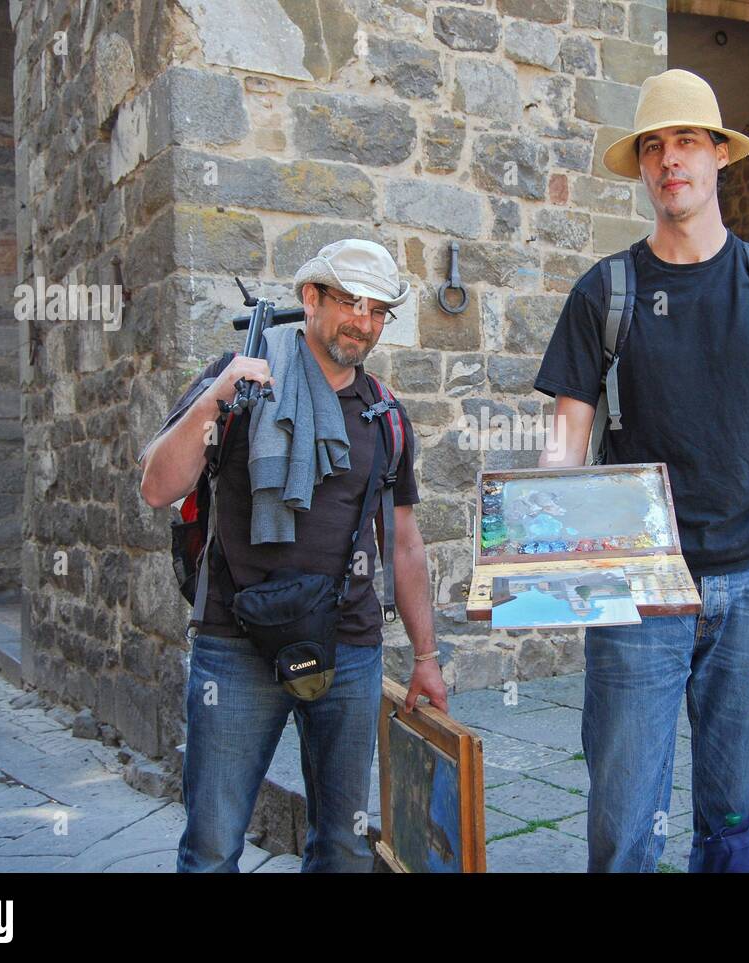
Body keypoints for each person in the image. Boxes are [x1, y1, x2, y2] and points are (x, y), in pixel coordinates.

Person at [534, 69, 749, 872]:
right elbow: (566, 440)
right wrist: (538, 549)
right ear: (642, 167)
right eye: (655, 146)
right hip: (638, 589)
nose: (672, 159)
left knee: (736, 822)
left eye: (688, 141)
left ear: (718, 157)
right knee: (623, 820)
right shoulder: (607, 291)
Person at [138, 239, 448, 872]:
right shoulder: (240, 377)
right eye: (350, 303)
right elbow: (156, 487)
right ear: (311, 298)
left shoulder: (385, 413)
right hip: (236, 641)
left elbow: (405, 542)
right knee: (212, 847)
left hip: (349, 647)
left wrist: (425, 656)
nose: (364, 321)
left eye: (379, 309)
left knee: (342, 845)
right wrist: (216, 395)